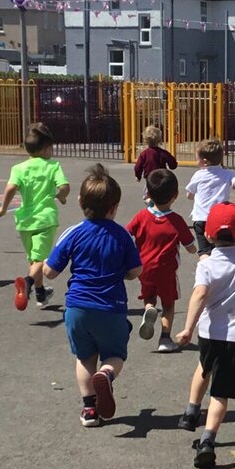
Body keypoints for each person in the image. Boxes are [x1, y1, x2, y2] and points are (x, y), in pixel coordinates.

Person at [44, 164, 143, 428]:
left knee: (84, 357)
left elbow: (51, 272)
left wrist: (43, 262)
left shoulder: (73, 233)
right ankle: (107, 375)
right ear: (114, 207)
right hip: (111, 306)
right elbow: (135, 271)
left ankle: (89, 410)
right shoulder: (122, 235)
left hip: (77, 307)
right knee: (115, 355)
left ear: (80, 202)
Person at [174, 203, 235, 469]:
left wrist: (188, 328)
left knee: (204, 365)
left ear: (209, 236)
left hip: (209, 331)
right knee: (221, 392)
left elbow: (200, 294)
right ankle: (208, 440)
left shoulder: (207, 264)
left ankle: (191, 411)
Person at [0, 123, 70, 311]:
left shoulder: (19, 168)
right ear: (46, 148)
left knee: (33, 259)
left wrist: (3, 208)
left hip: (24, 221)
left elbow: (11, 188)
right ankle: (28, 283)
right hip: (45, 219)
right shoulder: (53, 166)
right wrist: (61, 197)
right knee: (39, 260)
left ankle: (40, 294)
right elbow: (64, 187)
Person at [126, 168, 197, 353]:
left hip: (143, 268)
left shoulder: (141, 216)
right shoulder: (176, 221)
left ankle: (149, 308)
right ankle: (165, 338)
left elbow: (126, 233)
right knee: (168, 304)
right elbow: (190, 245)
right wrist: (195, 250)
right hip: (166, 271)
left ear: (148, 193)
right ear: (175, 195)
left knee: (149, 295)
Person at [185, 138, 235, 258]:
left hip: (201, 218)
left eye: (197, 159)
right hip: (221, 219)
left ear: (204, 162)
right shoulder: (228, 174)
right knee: (222, 250)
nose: (196, 161)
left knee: (205, 251)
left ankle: (205, 271)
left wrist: (194, 195)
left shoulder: (198, 175)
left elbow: (189, 195)